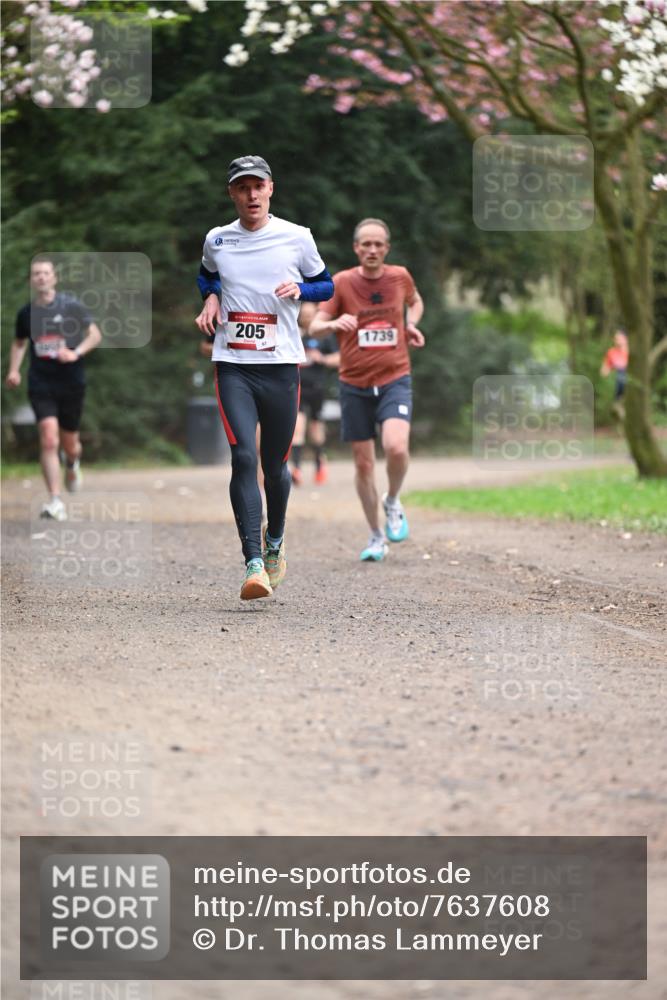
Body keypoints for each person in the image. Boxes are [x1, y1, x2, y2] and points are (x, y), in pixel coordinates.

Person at [195, 155, 334, 601]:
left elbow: (326, 285)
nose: (251, 195)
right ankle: (253, 562)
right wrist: (212, 298)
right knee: (243, 458)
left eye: (258, 186)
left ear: (271, 189)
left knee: (274, 467)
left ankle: (275, 541)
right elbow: (207, 275)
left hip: (280, 367)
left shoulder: (297, 237)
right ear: (232, 193)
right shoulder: (218, 239)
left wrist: (302, 290)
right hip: (233, 363)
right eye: (242, 188)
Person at [310, 218, 425, 562]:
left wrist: (411, 324)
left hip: (394, 378)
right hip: (354, 384)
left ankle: (392, 500)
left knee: (396, 446)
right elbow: (315, 326)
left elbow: (416, 302)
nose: (372, 250)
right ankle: (376, 535)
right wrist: (333, 323)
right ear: (356, 248)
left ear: (386, 248)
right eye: (366, 244)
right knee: (363, 465)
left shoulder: (400, 276)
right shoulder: (342, 282)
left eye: (379, 244)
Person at [5, 255, 102, 520]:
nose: (41, 277)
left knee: (71, 444)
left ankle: (72, 463)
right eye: (36, 274)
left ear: (54, 277)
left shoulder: (71, 306)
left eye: (45, 273)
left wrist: (76, 353)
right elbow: (19, 343)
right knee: (48, 438)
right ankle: (55, 501)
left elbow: (94, 334)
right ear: (31, 280)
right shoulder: (26, 313)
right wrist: (14, 370)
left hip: (71, 381)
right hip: (41, 381)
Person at [291, 301, 339, 486]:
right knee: (297, 428)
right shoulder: (292, 332)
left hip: (317, 389)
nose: (306, 318)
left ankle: (320, 463)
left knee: (316, 430)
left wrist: (323, 359)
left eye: (310, 315)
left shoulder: (324, 336)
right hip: (297, 388)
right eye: (303, 315)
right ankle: (297, 469)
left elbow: (339, 358)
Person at [600, 329, 629, 420]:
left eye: (619, 338)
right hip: (618, 380)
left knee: (622, 373)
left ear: (626, 339)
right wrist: (606, 371)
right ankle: (618, 404)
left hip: (630, 379)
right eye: (615, 339)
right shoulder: (611, 352)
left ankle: (620, 404)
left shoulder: (632, 351)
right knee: (620, 374)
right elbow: (605, 369)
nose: (617, 341)